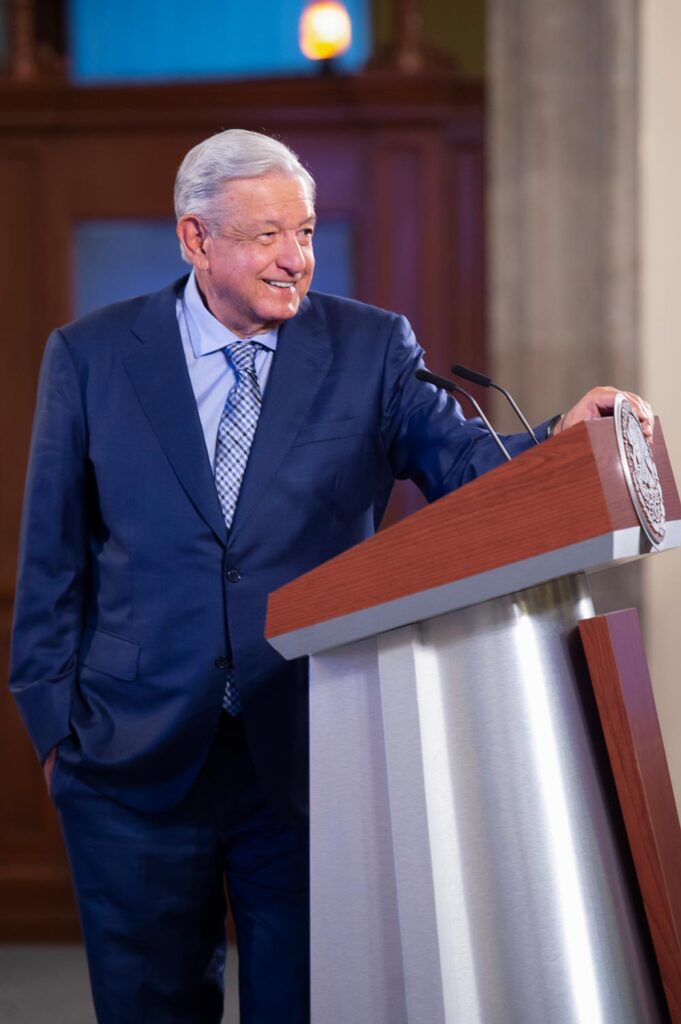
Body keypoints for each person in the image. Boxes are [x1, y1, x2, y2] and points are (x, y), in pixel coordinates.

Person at [8, 128, 653, 1024]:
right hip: (128, 757)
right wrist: (54, 733)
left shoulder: (369, 346)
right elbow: (52, 556)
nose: (295, 258)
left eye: (305, 232)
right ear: (196, 239)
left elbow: (466, 465)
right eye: (267, 234)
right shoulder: (91, 355)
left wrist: (559, 442)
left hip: (312, 751)